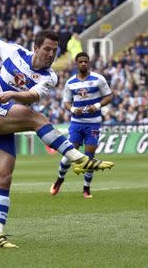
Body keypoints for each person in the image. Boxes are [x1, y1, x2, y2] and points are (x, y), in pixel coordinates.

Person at [0, 8, 114, 249]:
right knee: (37, 119)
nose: (50, 54)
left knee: (3, 178)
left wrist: (12, 94)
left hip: (1, 121)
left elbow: (30, 96)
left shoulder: (49, 77)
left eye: (54, 51)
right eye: (47, 49)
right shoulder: (15, 53)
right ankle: (78, 158)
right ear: (36, 47)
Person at [50, 52, 112, 198]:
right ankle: (59, 179)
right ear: (76, 64)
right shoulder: (70, 82)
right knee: (70, 152)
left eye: (85, 61)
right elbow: (66, 102)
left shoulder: (98, 79)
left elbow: (108, 96)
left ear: (88, 63)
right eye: (81, 62)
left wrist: (97, 106)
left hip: (93, 124)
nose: (83, 64)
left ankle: (86, 188)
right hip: (76, 123)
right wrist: (72, 109)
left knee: (90, 157)